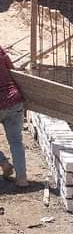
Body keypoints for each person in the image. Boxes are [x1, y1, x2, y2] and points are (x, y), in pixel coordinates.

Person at [0, 44, 27, 188]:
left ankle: (3, 162)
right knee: (16, 141)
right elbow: (12, 70)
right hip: (14, 100)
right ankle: (22, 179)